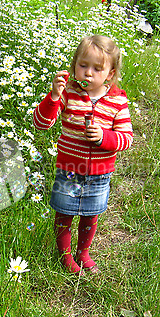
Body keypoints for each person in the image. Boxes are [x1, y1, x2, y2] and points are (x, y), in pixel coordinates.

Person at [33, 35, 133, 275]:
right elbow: (42, 123)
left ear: (110, 74)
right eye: (83, 65)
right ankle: (65, 256)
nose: (88, 73)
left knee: (90, 214)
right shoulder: (68, 93)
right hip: (68, 168)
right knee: (64, 212)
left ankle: (83, 252)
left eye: (97, 69)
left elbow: (127, 139)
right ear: (74, 65)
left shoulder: (117, 101)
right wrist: (54, 97)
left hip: (100, 173)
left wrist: (103, 138)